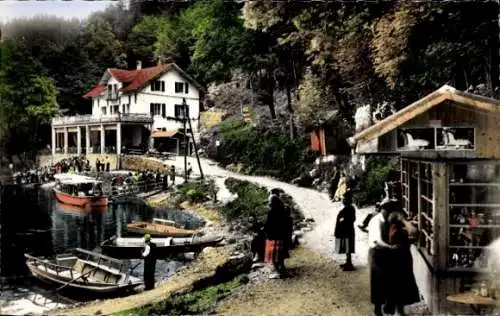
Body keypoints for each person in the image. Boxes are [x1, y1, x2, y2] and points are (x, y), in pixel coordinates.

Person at [385, 211, 420, 316]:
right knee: (401, 285)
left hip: (396, 259)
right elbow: (414, 232)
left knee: (396, 284)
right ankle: (398, 310)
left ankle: (393, 308)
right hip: (401, 259)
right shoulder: (398, 231)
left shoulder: (392, 228)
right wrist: (405, 221)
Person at [368, 202, 397, 316]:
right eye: (389, 212)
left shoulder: (386, 220)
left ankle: (388, 306)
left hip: (385, 253)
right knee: (377, 281)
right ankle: (377, 308)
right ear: (384, 211)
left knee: (388, 279)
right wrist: (390, 247)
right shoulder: (376, 221)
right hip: (376, 252)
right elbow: (378, 240)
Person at [263, 189, 288, 279]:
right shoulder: (283, 210)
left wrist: (264, 230)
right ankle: (282, 269)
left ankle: (278, 272)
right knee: (280, 254)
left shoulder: (271, 212)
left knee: (274, 255)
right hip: (281, 235)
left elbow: (268, 224)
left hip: (273, 236)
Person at [334, 193, 356, 271]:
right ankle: (347, 262)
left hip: (348, 230)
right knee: (346, 246)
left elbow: (352, 219)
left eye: (344, 199)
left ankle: (349, 264)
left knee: (348, 246)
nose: (342, 201)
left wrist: (343, 220)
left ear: (348, 200)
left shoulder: (350, 208)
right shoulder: (347, 208)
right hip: (345, 230)